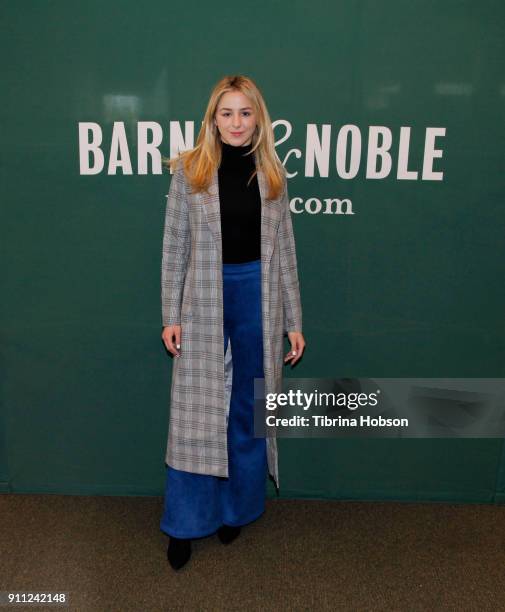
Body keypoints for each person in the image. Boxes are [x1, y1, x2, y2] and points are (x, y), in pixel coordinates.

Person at [159, 74, 305, 570]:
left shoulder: (273, 176)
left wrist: (294, 321)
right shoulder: (189, 173)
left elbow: (285, 253)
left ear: (257, 118)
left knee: (250, 405)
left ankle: (235, 509)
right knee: (196, 412)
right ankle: (185, 523)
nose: (236, 123)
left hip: (258, 299)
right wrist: (170, 315)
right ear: (213, 120)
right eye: (227, 113)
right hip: (203, 299)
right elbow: (174, 248)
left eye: (245, 113)